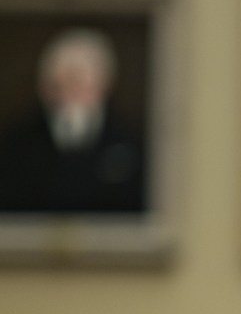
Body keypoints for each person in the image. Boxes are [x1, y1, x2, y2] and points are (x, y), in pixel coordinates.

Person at [0, 28, 147, 214]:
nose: (69, 91)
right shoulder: (17, 142)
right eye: (59, 83)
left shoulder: (132, 140)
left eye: (78, 81)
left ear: (104, 83)